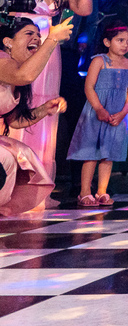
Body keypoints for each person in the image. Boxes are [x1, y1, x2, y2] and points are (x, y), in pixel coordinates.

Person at [8, 0, 93, 184]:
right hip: (25, 49)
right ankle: (15, 176)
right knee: (22, 102)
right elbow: (8, 21)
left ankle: (38, 181)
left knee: (46, 107)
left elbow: (85, 8)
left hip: (50, 51)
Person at [0, 16, 73, 214]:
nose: (36, 39)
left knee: (20, 158)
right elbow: (25, 75)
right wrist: (52, 40)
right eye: (29, 34)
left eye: (39, 35)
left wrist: (43, 110)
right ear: (8, 42)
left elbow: (14, 120)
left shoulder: (15, 70)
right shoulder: (1, 60)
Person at [66, 22, 128, 207]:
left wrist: (123, 112)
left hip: (118, 113)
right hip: (96, 111)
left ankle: (102, 191)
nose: (125, 44)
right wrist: (99, 108)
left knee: (109, 154)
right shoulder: (99, 61)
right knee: (91, 152)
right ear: (107, 42)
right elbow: (89, 87)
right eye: (120, 40)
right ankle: (84, 192)